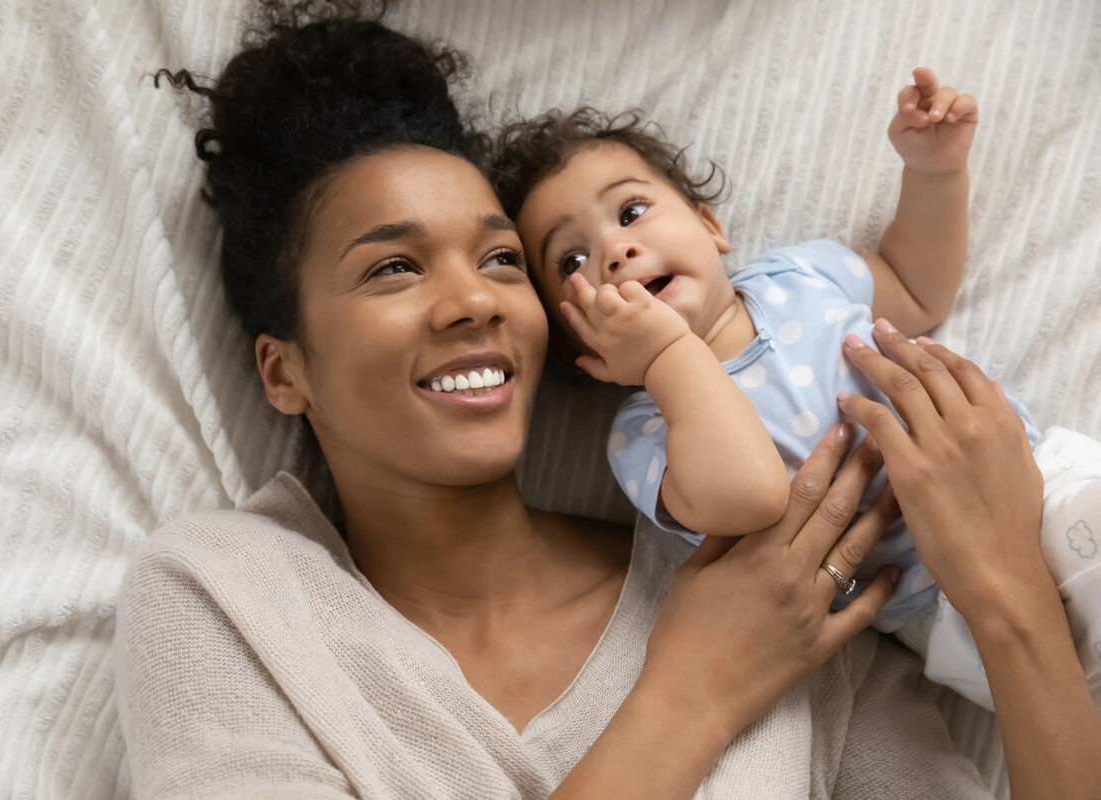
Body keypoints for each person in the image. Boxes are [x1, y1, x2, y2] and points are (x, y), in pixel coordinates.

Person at [115, 3, 1101, 798]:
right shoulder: (230, 600)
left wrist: (1006, 583)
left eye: (502, 260)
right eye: (392, 269)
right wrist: (692, 694)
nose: (473, 301)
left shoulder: (783, 563)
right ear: (283, 369)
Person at [490, 87, 1101, 709]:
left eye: (630, 212)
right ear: (579, 350)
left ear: (709, 225)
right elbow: (751, 498)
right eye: (573, 258)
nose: (615, 252)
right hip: (944, 609)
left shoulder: (796, 276)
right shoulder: (644, 431)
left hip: (1037, 482)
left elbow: (918, 288)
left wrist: (934, 173)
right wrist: (665, 359)